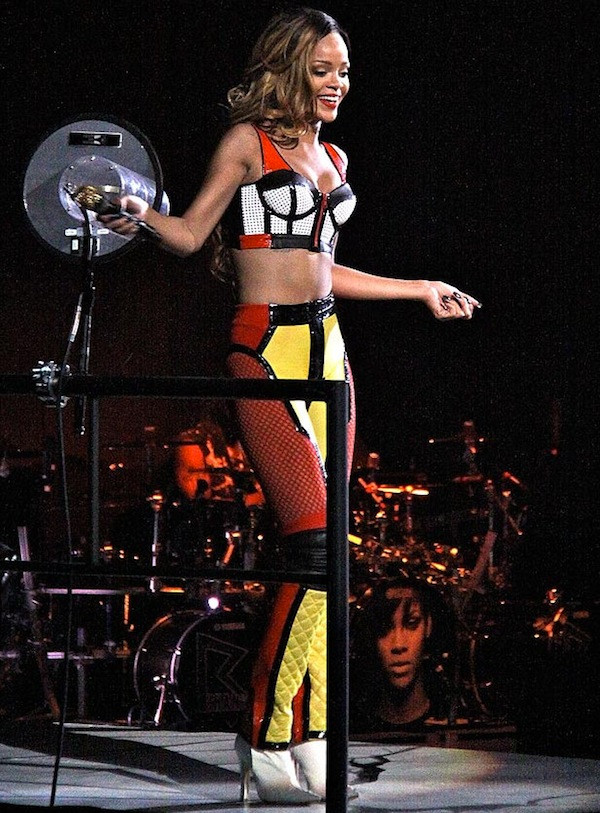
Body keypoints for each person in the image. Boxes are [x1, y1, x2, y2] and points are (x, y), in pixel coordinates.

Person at [99, 7, 480, 802]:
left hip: (329, 352)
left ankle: (310, 732)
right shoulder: (247, 143)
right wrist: (134, 213)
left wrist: (420, 288)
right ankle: (266, 733)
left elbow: (324, 270)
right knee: (310, 543)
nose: (339, 83)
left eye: (345, 70)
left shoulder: (333, 155)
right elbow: (190, 234)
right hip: (264, 347)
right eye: (323, 69)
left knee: (332, 553)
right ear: (289, 68)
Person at [350, 574, 456, 735]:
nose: (398, 645)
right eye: (384, 628)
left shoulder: (450, 722)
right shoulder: (353, 727)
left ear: (428, 626)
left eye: (411, 623)